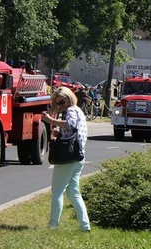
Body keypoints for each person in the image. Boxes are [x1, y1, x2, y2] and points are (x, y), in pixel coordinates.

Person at [40, 87, 91, 232]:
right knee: (73, 193)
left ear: (69, 97)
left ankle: (53, 225)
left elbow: (70, 124)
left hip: (67, 157)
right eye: (58, 104)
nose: (61, 106)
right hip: (78, 157)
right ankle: (84, 225)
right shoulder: (78, 110)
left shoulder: (71, 111)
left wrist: (51, 120)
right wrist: (59, 131)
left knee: (57, 191)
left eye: (62, 102)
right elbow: (72, 130)